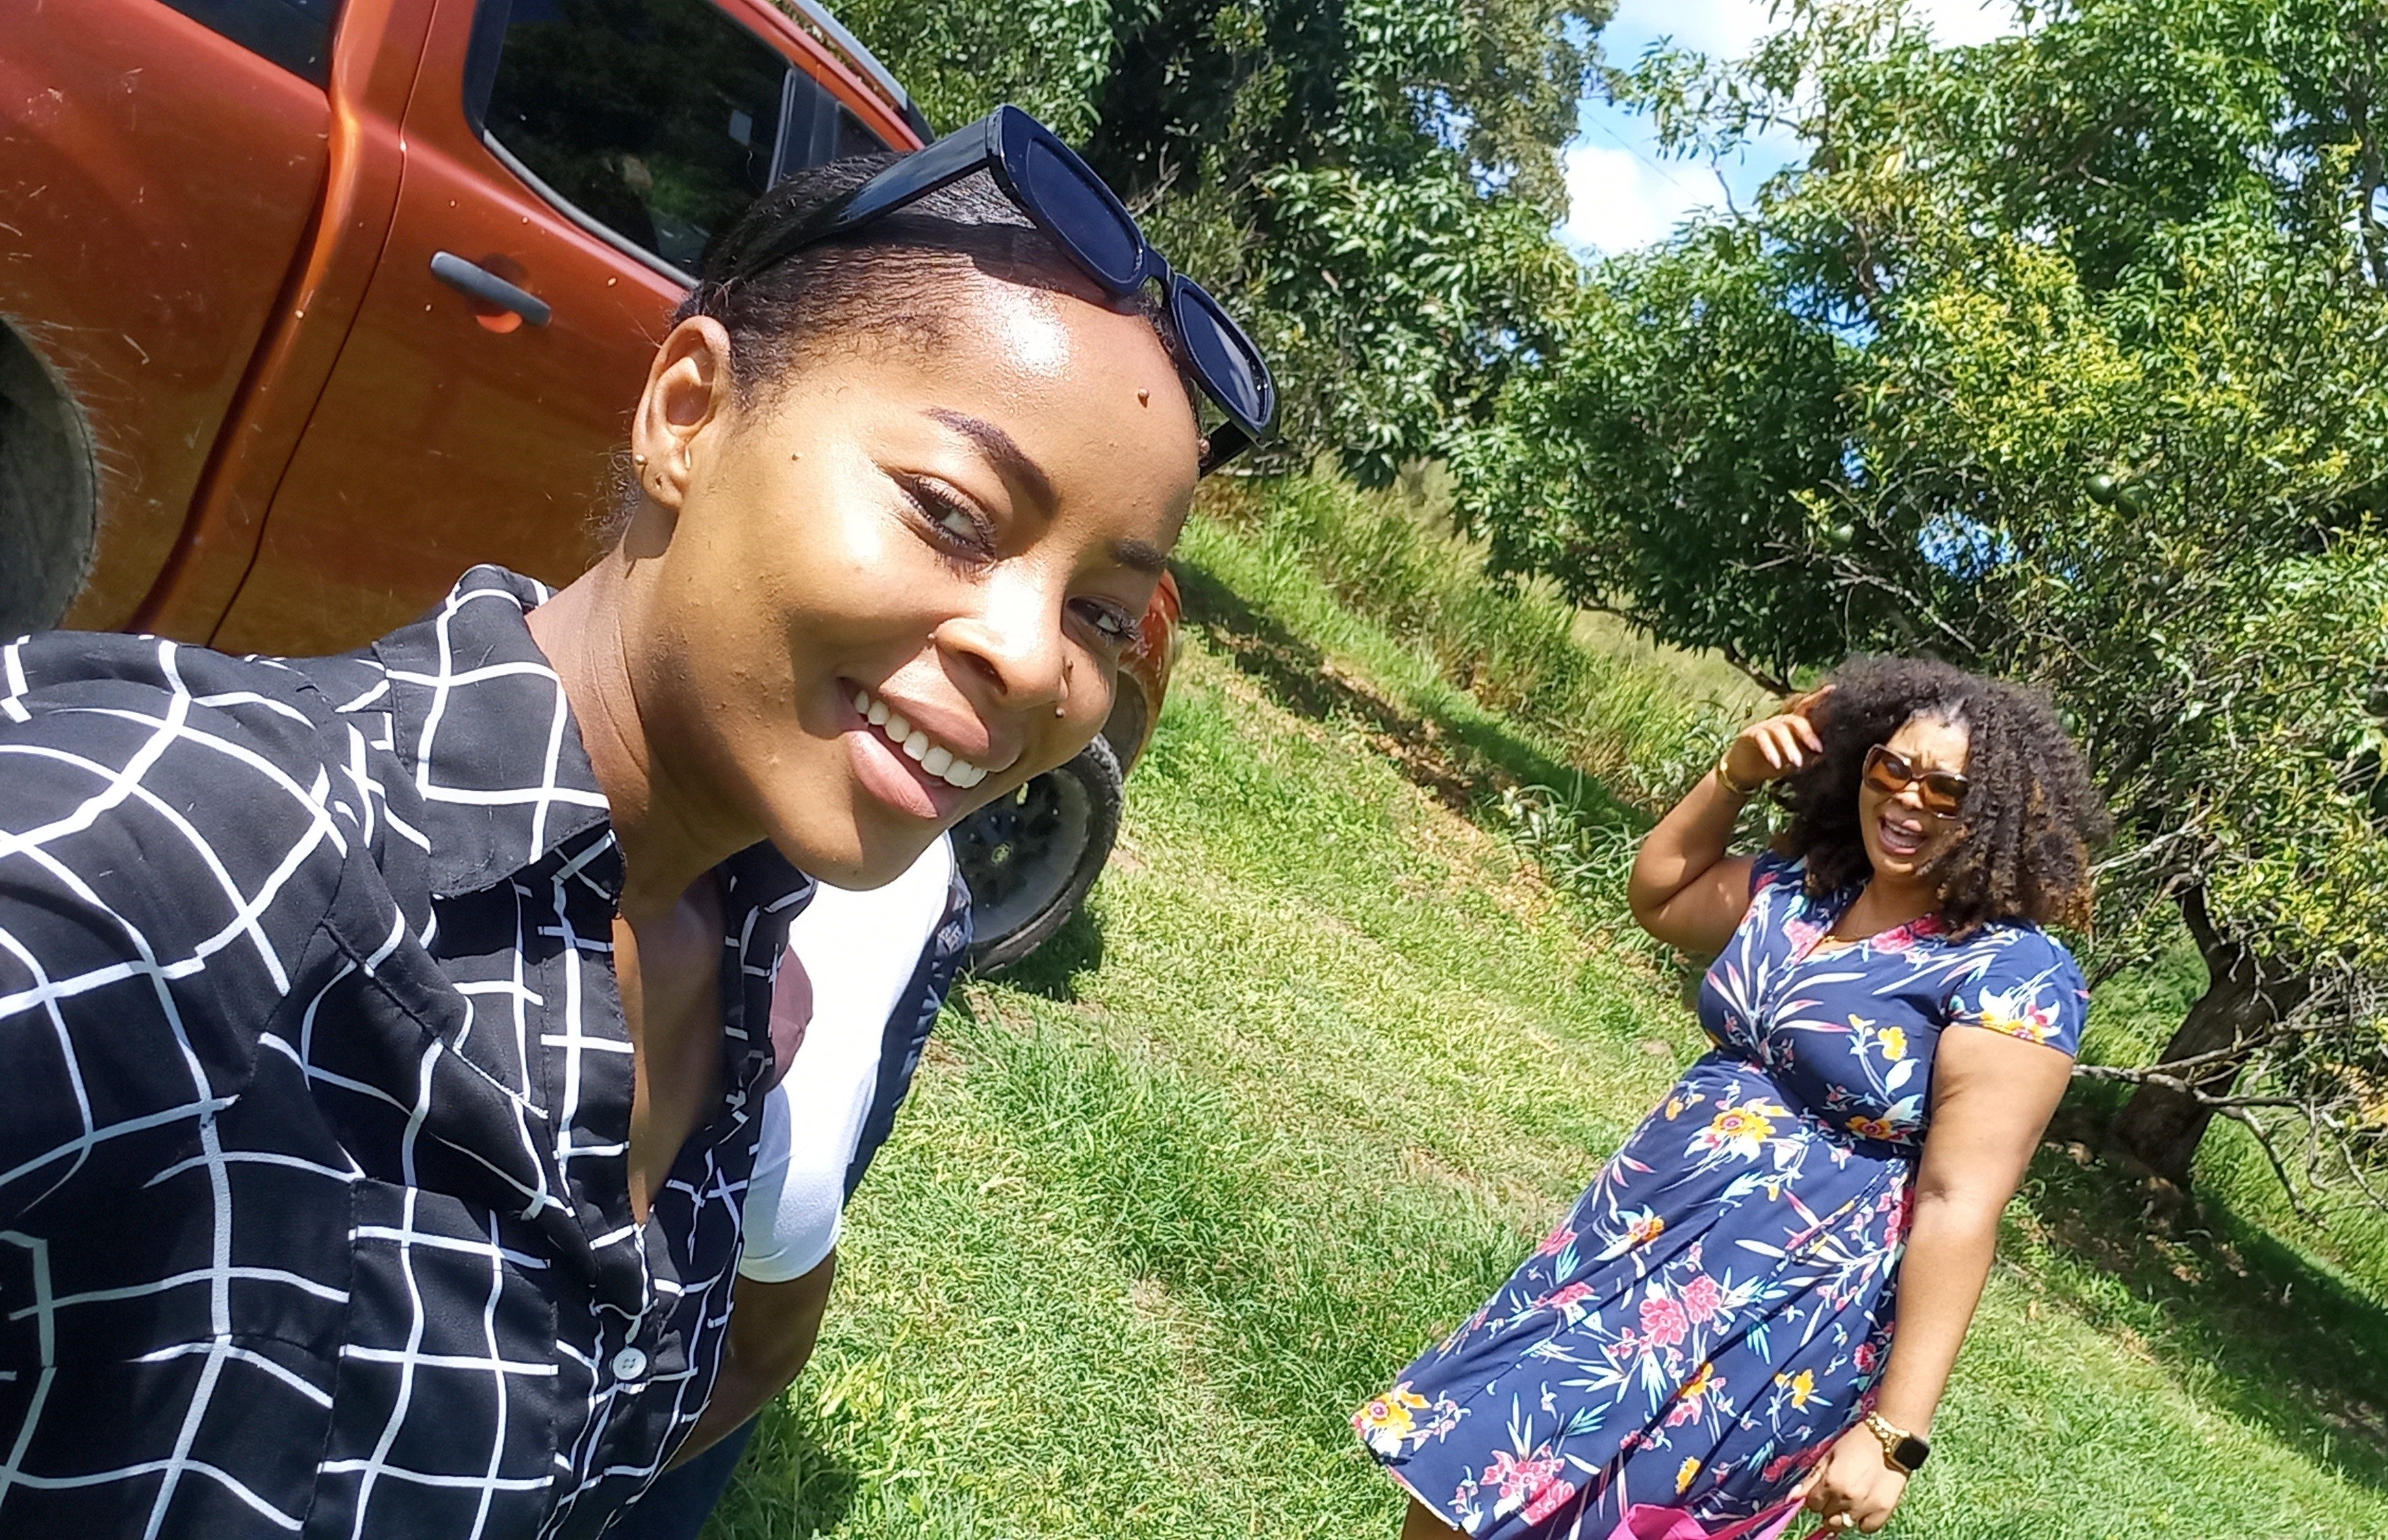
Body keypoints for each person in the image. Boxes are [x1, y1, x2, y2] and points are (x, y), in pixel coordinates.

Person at [0, 105, 1269, 1539]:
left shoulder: (734, 958)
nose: (1038, 661)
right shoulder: (190, 852)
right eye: (955, 514)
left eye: (1101, 613)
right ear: (686, 413)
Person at [1355, 656, 2112, 1538]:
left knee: (1613, 1516)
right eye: (1890, 769)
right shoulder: (1801, 890)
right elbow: (1663, 894)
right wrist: (1733, 776)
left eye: (1947, 791)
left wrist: (1895, 1434)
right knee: (1470, 1471)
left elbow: (1959, 1203)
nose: (1908, 802)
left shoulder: (2012, 973)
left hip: (1780, 1301)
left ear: (1995, 817)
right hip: (1627, 1240)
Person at [607, 843, 969, 1537]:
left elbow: (760, 1353)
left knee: (713, 1337)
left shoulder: (778, 1173)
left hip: (908, 881)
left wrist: (600, 1487)